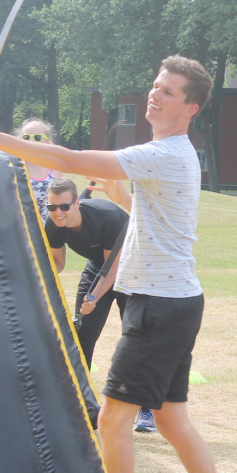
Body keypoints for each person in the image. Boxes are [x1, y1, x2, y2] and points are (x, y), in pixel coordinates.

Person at [0, 55, 237, 473]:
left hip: (160, 307)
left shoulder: (165, 154)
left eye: (169, 91)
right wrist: (118, 189)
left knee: (113, 421)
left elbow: (70, 159)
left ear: (192, 107)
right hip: (172, 301)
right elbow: (145, 211)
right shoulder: (168, 156)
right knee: (170, 421)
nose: (155, 95)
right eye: (155, 86)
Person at [43, 176, 157, 433]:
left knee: (135, 339)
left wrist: (93, 298)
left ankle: (147, 409)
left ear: (77, 203)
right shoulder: (54, 224)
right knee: (82, 337)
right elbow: (57, 265)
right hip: (98, 267)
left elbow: (114, 269)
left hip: (131, 269)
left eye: (63, 207)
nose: (57, 213)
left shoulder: (107, 218)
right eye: (52, 207)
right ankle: (79, 404)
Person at [15, 118, 57, 219]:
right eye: (26, 137)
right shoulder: (13, 167)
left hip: (50, 230)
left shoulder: (55, 169)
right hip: (23, 231)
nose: (31, 141)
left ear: (47, 142)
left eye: (37, 137)